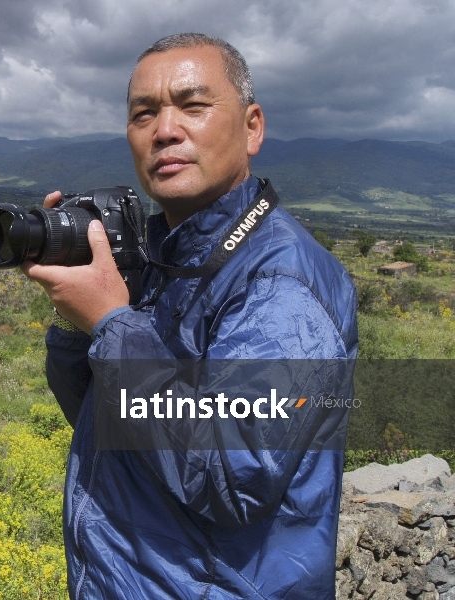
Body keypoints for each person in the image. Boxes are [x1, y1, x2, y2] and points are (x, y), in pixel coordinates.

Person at [22, 33, 357, 600]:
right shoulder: (162, 256)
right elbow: (103, 418)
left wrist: (112, 324)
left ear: (252, 127)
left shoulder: (280, 284)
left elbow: (231, 476)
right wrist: (81, 313)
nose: (165, 130)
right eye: (143, 113)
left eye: (193, 106)